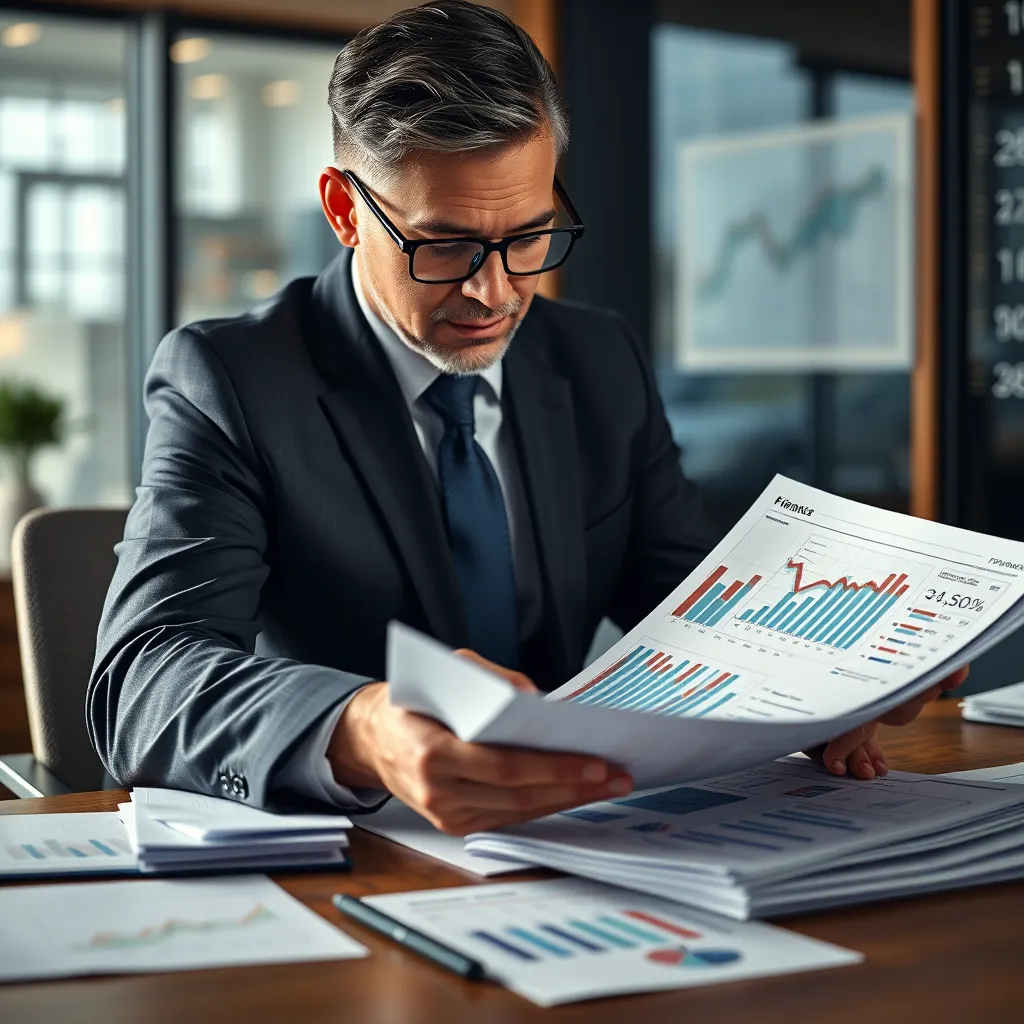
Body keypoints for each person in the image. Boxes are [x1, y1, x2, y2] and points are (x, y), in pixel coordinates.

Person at [87, 0, 965, 835]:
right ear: (346, 209)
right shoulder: (231, 377)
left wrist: (833, 679)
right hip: (358, 860)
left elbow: (695, 609)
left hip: (579, 838)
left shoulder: (597, 360)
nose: (496, 290)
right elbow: (142, 682)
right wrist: (361, 727)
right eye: (446, 247)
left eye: (529, 236)